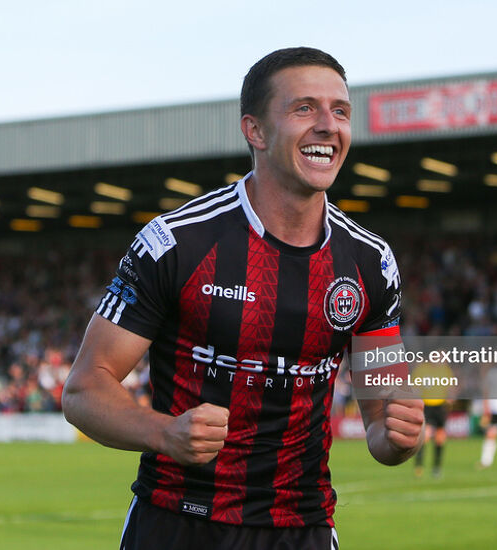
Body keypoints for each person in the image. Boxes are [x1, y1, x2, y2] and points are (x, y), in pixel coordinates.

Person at [62, 47, 425, 550]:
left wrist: (399, 437)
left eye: (340, 111)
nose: (327, 125)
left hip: (303, 528)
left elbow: (383, 425)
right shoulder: (177, 243)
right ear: (254, 131)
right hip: (176, 524)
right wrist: (166, 433)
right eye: (304, 108)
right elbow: (83, 391)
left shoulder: (369, 261)